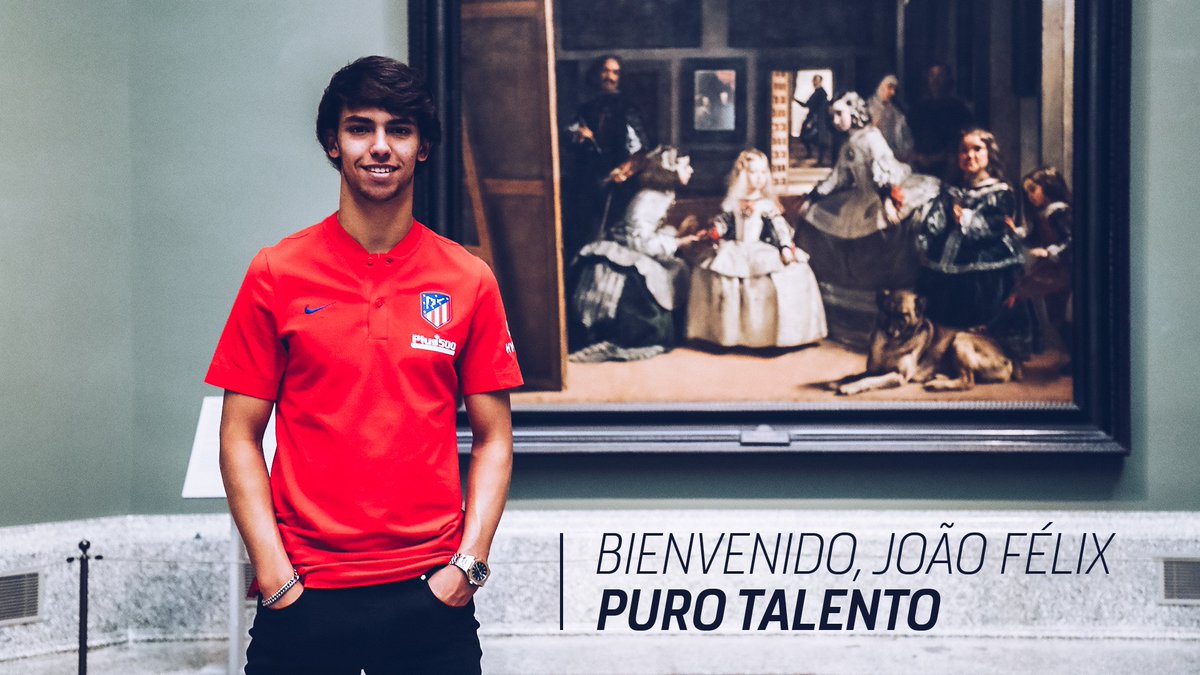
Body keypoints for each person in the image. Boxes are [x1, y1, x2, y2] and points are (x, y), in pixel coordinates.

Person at [206, 56, 523, 674]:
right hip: (304, 595)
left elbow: (495, 439)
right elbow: (238, 435)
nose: (380, 146)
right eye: (360, 128)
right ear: (333, 142)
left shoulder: (468, 280)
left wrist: (468, 568)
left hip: (431, 595)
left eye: (399, 129)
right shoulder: (276, 273)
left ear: (423, 146)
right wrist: (274, 577)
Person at [795, 92, 937, 346]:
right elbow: (838, 177)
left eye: (840, 113)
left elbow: (885, 172)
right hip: (860, 197)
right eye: (833, 116)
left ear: (855, 112)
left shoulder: (872, 138)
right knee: (816, 217)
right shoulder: (849, 144)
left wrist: (888, 202)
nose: (837, 120)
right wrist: (814, 197)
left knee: (882, 230)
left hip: (883, 194)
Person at [913, 127, 1033, 365]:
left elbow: (997, 223)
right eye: (963, 151)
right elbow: (937, 218)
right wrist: (929, 232)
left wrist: (967, 219)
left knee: (980, 313)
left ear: (989, 154)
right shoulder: (951, 191)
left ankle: (982, 356)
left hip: (985, 265)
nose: (970, 156)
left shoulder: (1000, 192)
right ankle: (945, 354)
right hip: (946, 265)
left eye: (977, 149)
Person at [568, 146, 699, 362]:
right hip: (625, 254)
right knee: (660, 281)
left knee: (676, 269)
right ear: (671, 170)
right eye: (686, 165)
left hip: (637, 247)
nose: (691, 170)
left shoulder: (662, 193)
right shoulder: (651, 197)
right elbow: (637, 240)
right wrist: (677, 242)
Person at [687, 149, 827, 348]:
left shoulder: (767, 205)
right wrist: (716, 230)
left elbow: (780, 228)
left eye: (763, 172)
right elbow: (725, 222)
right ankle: (729, 335)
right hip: (736, 249)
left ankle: (768, 336)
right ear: (743, 174)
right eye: (754, 173)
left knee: (789, 275)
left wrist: (785, 247)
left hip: (761, 250)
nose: (760, 178)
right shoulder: (734, 203)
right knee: (716, 273)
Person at [563, 54, 650, 262]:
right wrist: (578, 137)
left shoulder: (628, 109)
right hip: (584, 183)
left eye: (615, 72)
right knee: (581, 238)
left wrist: (623, 171)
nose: (609, 77)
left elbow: (640, 151)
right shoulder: (585, 108)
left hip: (615, 186)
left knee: (610, 242)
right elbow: (568, 141)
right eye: (605, 71)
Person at [1012, 166, 1073, 353]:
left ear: (1049, 187)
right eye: (1027, 192)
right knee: (1054, 314)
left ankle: (1076, 354)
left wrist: (1050, 252)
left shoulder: (1059, 212)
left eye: (1033, 190)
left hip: (1064, 269)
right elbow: (1034, 238)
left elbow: (1071, 240)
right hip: (1052, 269)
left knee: (1062, 314)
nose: (1030, 196)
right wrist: (1016, 232)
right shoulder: (1044, 214)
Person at [908, 64, 974, 175]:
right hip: (919, 167)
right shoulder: (917, 109)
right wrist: (918, 157)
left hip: (949, 168)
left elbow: (961, 140)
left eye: (940, 76)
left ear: (948, 80)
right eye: (932, 75)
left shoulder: (959, 109)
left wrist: (940, 158)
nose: (935, 80)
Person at [867, 74, 914, 161]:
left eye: (895, 89)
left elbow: (907, 140)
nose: (893, 92)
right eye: (889, 87)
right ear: (879, 86)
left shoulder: (897, 114)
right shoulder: (866, 110)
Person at [797, 74, 834, 166]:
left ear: (820, 81)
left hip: (818, 120)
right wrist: (795, 100)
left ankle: (820, 161)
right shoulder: (816, 93)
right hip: (814, 119)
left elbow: (817, 109)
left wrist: (812, 121)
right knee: (806, 137)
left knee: (818, 140)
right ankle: (812, 155)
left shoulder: (821, 93)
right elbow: (807, 105)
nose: (814, 82)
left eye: (816, 80)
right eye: (814, 80)